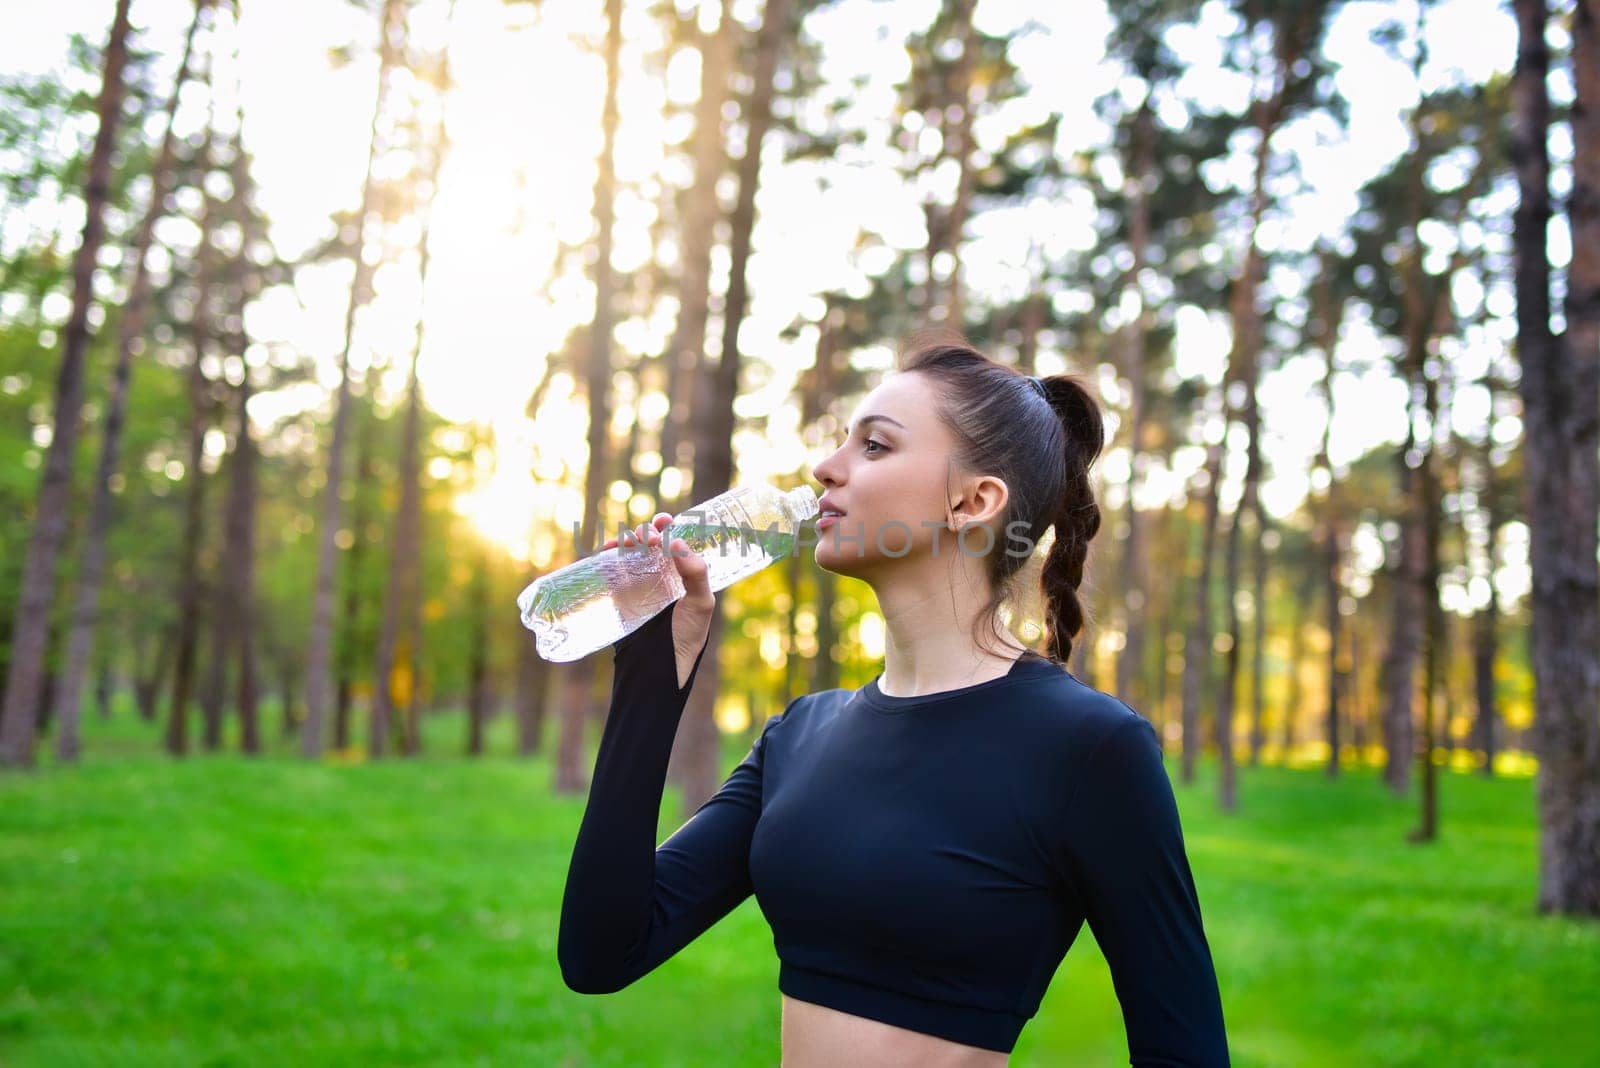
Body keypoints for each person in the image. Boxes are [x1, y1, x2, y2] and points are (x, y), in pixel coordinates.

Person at [557, 335, 1230, 1066]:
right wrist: (654, 675)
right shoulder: (801, 736)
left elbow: (1183, 1046)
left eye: (875, 445)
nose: (825, 467)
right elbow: (602, 952)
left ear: (973, 501)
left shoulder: (1088, 748)